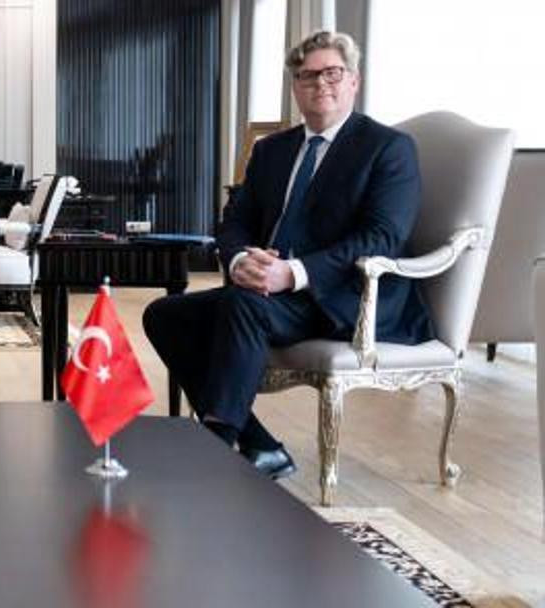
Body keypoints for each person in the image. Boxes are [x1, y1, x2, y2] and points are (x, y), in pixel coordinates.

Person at [142, 31, 433, 479]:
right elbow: (235, 220)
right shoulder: (272, 150)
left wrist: (293, 273)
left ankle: (215, 447)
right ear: (295, 86)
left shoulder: (387, 148)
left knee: (243, 305)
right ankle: (259, 445)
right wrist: (240, 260)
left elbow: (382, 237)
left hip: (345, 296)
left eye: (332, 73)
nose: (320, 84)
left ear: (353, 81)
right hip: (271, 291)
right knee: (165, 314)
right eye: (307, 76)